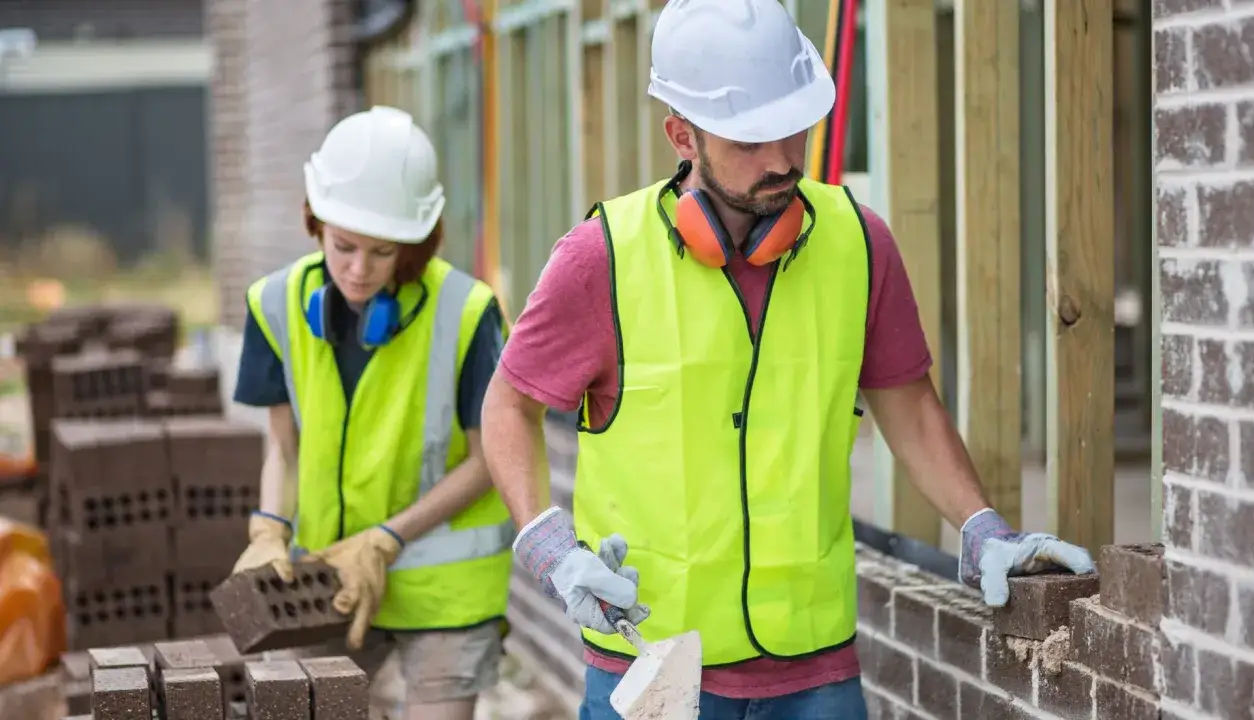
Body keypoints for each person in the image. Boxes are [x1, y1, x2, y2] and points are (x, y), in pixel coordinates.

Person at [479, 2, 1095, 719]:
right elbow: (509, 403)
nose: (781, 159)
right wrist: (547, 544)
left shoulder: (859, 243)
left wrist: (982, 525)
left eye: (791, 126)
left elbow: (909, 404)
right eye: (748, 140)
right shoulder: (600, 259)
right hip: (651, 668)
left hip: (815, 673)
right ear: (682, 135)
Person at [229, 105, 514, 720]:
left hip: (445, 594)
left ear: (416, 243)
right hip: (329, 581)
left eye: (383, 253)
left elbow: (494, 457)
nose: (358, 271)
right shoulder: (274, 304)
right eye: (343, 247)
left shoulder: (466, 312)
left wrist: (386, 541)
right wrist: (268, 530)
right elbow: (283, 445)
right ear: (316, 224)